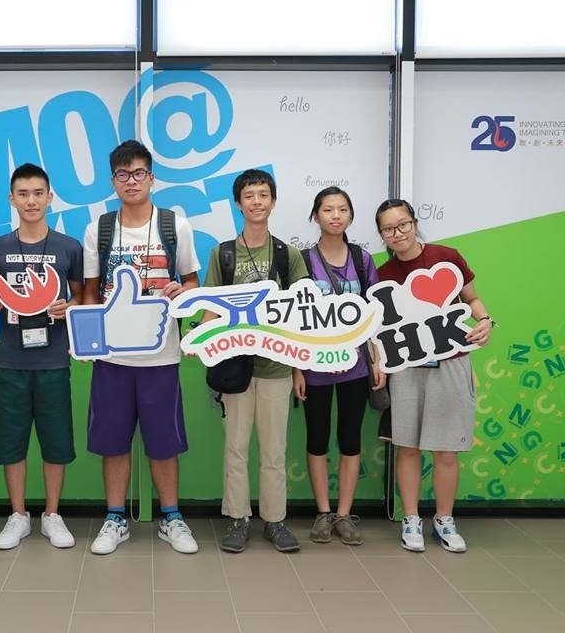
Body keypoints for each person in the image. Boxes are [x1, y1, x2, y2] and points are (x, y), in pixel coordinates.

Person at [82, 139, 201, 555]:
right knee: (112, 441)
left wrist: (181, 291)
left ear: (151, 178)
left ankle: (172, 517)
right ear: (113, 181)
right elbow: (91, 292)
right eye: (122, 174)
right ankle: (115, 518)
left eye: (138, 173)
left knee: (164, 442)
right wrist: (91, 340)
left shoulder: (175, 226)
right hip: (112, 357)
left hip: (161, 356)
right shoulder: (99, 229)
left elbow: (192, 282)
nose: (131, 181)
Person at [374, 198, 494, 553]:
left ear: (414, 222)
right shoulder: (382, 276)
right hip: (406, 367)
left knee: (446, 451)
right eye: (388, 229)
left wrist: (486, 321)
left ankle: (444, 519)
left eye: (403, 225)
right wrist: (378, 361)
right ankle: (411, 518)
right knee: (408, 447)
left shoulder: (447, 257)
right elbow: (378, 329)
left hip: (452, 361)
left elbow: (473, 300)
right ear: (381, 234)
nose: (397, 233)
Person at [201, 169, 308, 553]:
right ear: (238, 203)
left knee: (275, 451)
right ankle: (237, 518)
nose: (257, 201)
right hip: (235, 368)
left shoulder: (287, 254)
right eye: (249, 195)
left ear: (273, 201)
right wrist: (201, 340)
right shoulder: (223, 253)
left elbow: (302, 313)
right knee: (235, 447)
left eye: (263, 194)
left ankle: (275, 521)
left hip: (277, 368)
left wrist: (298, 368)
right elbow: (211, 307)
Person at [0, 163, 83, 550]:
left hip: (54, 360)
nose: (31, 201)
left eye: (38, 193)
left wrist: (68, 307)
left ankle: (52, 515)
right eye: (23, 194)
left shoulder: (68, 247)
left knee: (56, 440)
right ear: (12, 199)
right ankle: (18, 515)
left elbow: (81, 297)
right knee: (11, 441)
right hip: (11, 360)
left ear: (49, 197)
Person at [301, 187, 385, 546]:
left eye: (342, 209)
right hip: (314, 366)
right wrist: (296, 369)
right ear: (315, 215)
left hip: (356, 366)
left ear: (350, 215)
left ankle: (344, 514)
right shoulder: (302, 261)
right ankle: (323, 513)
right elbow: (294, 320)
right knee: (317, 438)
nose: (335, 215)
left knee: (350, 439)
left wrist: (378, 359)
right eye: (328, 209)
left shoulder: (362, 260)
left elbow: (376, 314)